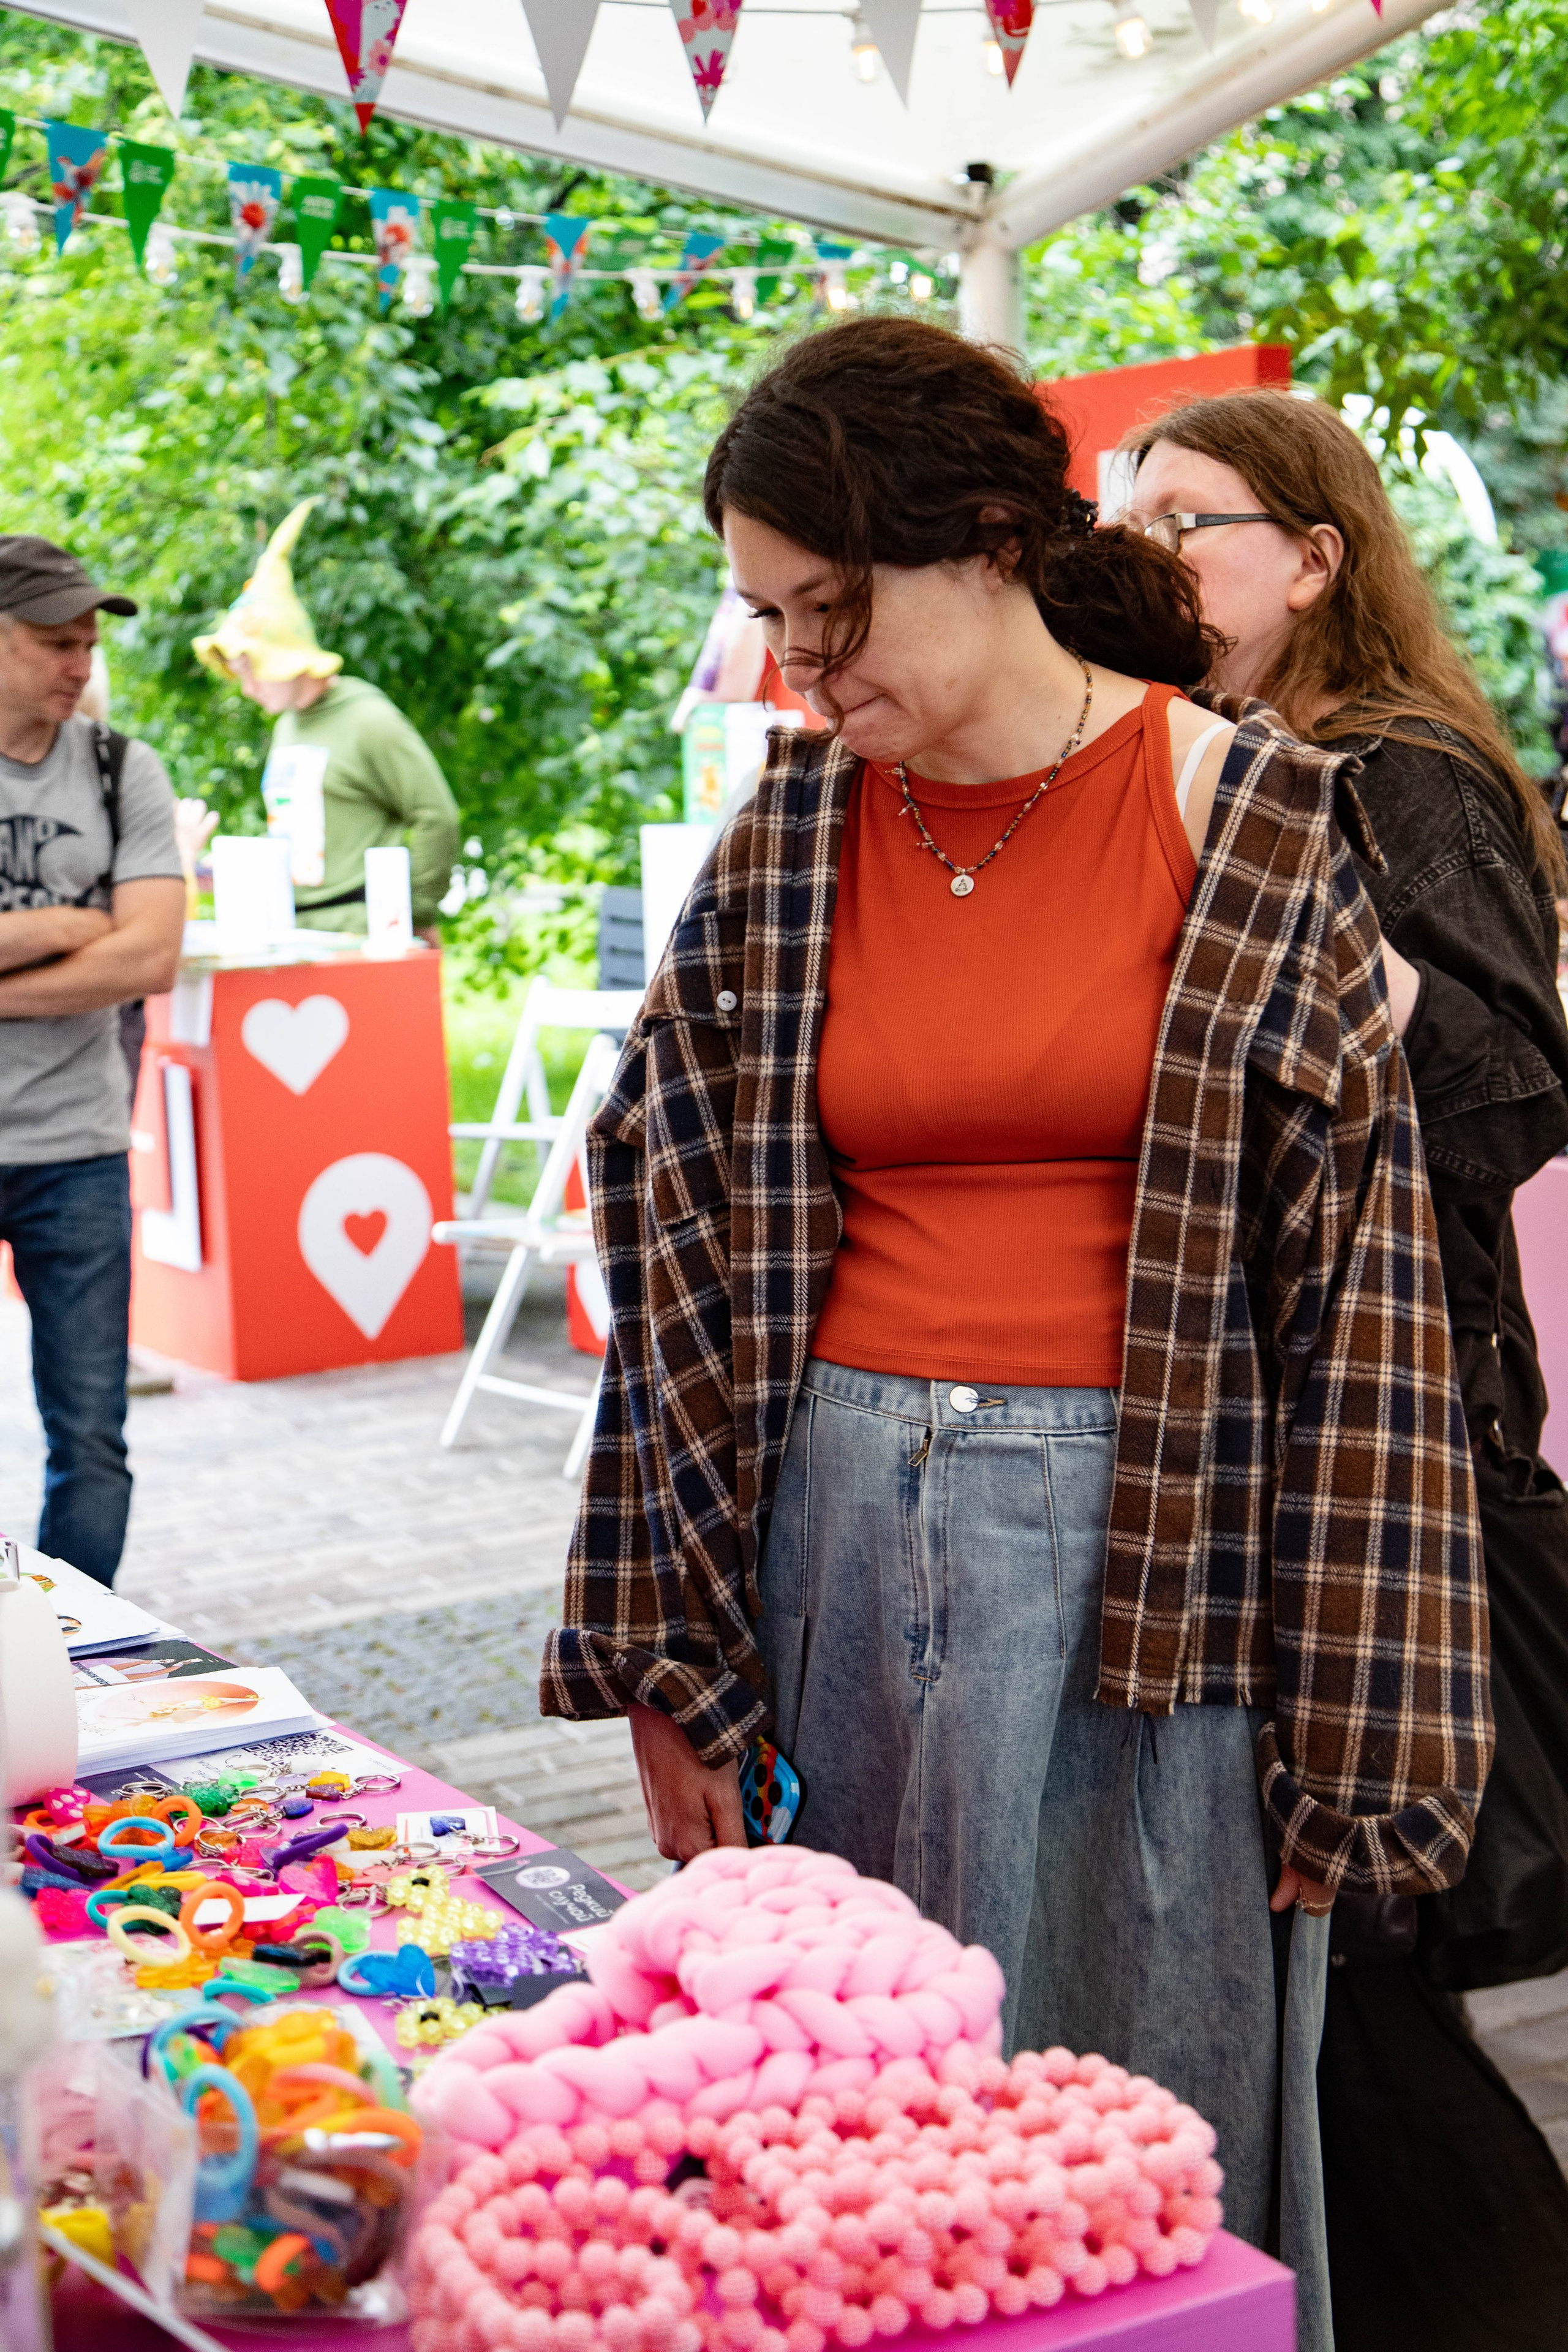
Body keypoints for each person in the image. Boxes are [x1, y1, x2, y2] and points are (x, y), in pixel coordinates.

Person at [541, 318, 1491, 2352]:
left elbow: (1364, 1298)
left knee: (1133, 2135)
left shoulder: (1245, 814)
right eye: (772, 616)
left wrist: (1364, 1726)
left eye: (833, 604)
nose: (802, 665)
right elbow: (670, 1223)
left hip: (1161, 1575)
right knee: (862, 2114)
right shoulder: (797, 839)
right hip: (840, 1551)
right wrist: (670, 1649)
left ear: (982, 539)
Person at [1122, 388, 1568, 2352]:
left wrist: (1291, 886)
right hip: (1285, 1437)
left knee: (1356, 1963)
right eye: (1121, 523)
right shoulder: (1216, 760)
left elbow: (1506, 1099)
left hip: (1408, 1454)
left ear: (1312, 556)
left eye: (1188, 523)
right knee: (1323, 1968)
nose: (1146, 558)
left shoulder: (1389, 774)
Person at [0, 535, 183, 1585]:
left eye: (88, 644)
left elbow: (149, 952)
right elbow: (113, 942)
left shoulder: (122, 769)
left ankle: (72, 1656)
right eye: (54, 643)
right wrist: (68, 925)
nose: (81, 664)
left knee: (91, 1443)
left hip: (77, 1151)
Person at [193, 499, 459, 943]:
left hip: (363, 934)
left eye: (250, 671)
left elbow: (438, 816)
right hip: (297, 932)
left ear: (283, 657)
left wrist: (414, 911)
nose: (247, 689)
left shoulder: (369, 719)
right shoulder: (287, 725)